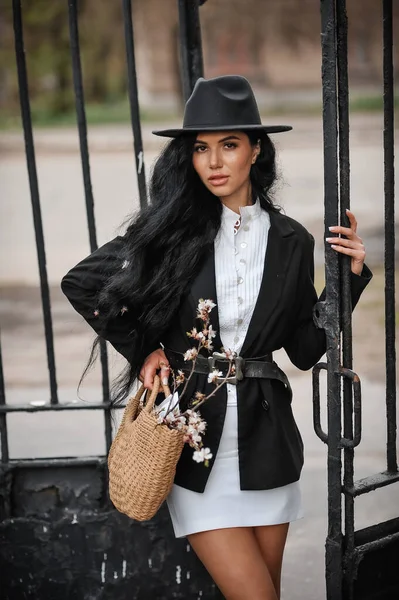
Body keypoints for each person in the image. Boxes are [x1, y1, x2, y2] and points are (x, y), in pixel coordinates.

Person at [61, 75, 372, 600]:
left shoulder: (292, 239)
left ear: (256, 150)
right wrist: (145, 350)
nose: (214, 161)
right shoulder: (171, 229)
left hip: (267, 442)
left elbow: (302, 348)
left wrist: (350, 282)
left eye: (229, 145)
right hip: (193, 440)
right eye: (201, 148)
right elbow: (83, 281)